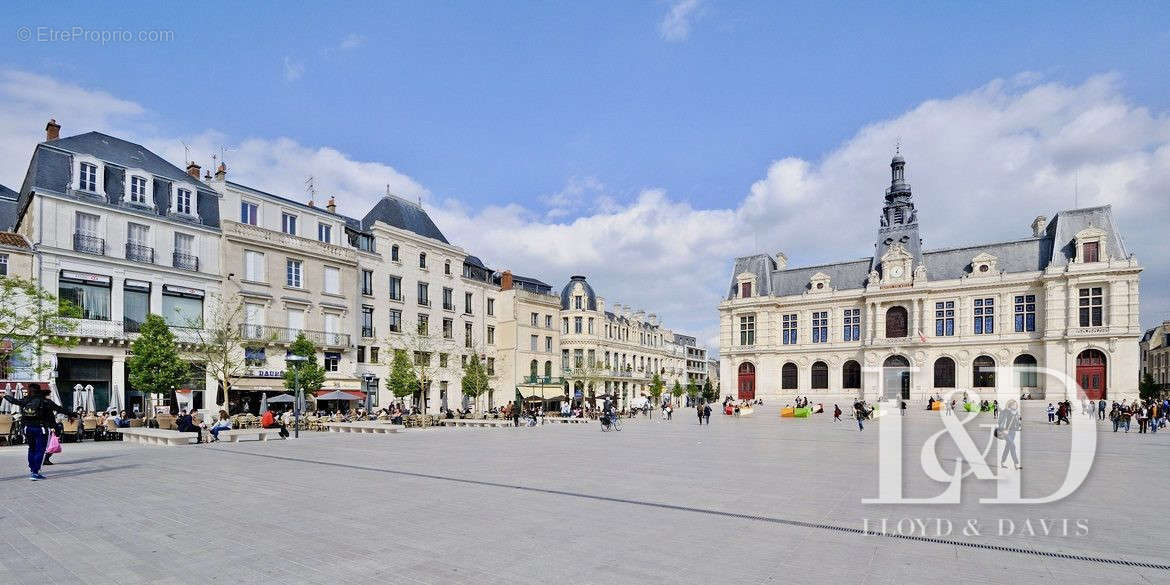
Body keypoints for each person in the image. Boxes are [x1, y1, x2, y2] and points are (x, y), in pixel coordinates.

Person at [2, 383, 73, 481]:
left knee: (31, 449)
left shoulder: (25, 400)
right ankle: (35, 473)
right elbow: (59, 409)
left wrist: (5, 396)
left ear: (29, 390)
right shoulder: (45, 401)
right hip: (41, 428)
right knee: (40, 450)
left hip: (27, 428)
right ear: (39, 390)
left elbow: (14, 401)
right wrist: (72, 414)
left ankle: (32, 470)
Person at [998, 400, 1022, 470]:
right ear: (1010, 405)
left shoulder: (1016, 413)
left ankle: (1002, 462)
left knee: (1008, 447)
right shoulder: (1006, 412)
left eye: (1016, 404)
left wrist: (1018, 426)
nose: (1015, 406)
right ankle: (1016, 464)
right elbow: (1001, 421)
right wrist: (1002, 429)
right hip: (1006, 432)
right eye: (1013, 405)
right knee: (1012, 445)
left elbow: (1017, 422)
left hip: (1012, 432)